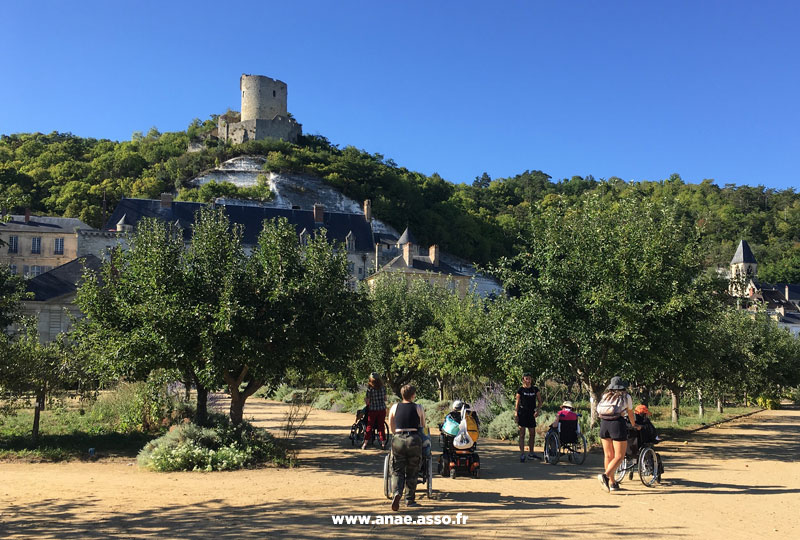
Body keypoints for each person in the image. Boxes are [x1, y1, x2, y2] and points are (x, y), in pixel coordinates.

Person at [597, 376, 639, 492]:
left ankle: (612, 483)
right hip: (617, 424)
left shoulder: (605, 396)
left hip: (604, 424)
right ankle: (605, 476)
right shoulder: (626, 397)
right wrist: (634, 424)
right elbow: (630, 413)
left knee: (608, 455)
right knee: (619, 456)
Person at [387, 384, 426, 511]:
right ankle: (409, 499)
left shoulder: (394, 407)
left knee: (397, 469)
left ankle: (397, 492)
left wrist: (396, 434)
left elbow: (391, 424)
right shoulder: (418, 407)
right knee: (412, 470)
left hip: (398, 439)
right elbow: (422, 425)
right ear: (413, 395)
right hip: (413, 439)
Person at [515, 372, 542, 462]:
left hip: (531, 413)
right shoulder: (521, 390)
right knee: (522, 434)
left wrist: (537, 410)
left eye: (529, 378)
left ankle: (531, 453)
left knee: (532, 433)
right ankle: (522, 454)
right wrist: (516, 414)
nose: (528, 380)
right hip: (522, 413)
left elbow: (540, 401)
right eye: (526, 378)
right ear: (523, 380)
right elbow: (517, 403)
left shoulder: (535, 389)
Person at [362, 372, 387, 450]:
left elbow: (368, 402)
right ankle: (383, 443)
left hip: (373, 410)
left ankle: (365, 443)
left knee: (369, 426)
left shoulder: (370, 389)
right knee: (381, 427)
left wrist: (366, 400)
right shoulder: (383, 388)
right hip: (382, 409)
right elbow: (385, 399)